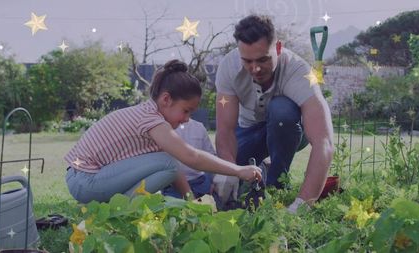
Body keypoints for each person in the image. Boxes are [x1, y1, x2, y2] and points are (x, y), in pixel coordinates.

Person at [64, 59, 262, 204]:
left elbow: (175, 170)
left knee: (167, 163)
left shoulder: (150, 116)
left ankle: (114, 207)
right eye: (186, 111)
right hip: (84, 179)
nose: (187, 119)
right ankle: (117, 209)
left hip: (87, 177)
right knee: (168, 162)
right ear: (166, 99)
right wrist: (238, 170)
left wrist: (191, 203)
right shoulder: (150, 119)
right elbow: (190, 157)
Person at [213, 15, 334, 212]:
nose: (256, 68)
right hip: (247, 131)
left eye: (263, 59)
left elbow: (324, 142)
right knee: (215, 176)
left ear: (278, 48)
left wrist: (303, 204)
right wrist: (229, 169)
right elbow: (225, 130)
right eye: (247, 61)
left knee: (282, 110)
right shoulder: (229, 67)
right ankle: (263, 167)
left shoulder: (298, 71)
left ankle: (276, 184)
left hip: (290, 128)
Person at [161, 119, 220, 204]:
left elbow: (210, 157)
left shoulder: (199, 126)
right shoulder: (163, 128)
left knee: (208, 211)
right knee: (177, 212)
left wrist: (212, 181)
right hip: (173, 186)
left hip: (200, 182)